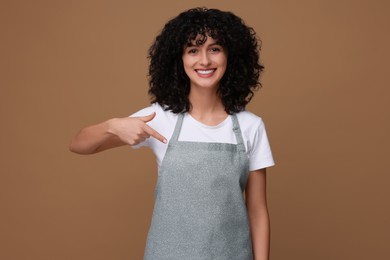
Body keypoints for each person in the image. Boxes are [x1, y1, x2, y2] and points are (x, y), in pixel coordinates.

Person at [70, 7, 275, 260]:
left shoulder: (250, 126)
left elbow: (257, 211)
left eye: (215, 48)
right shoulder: (160, 119)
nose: (204, 61)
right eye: (193, 50)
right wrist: (113, 126)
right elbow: (79, 144)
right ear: (178, 60)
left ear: (230, 55)